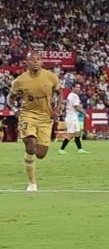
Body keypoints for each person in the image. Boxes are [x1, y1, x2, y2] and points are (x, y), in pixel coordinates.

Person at [10, 52, 61, 191]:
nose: (35, 62)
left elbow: (59, 93)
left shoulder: (51, 77)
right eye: (32, 59)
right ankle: (32, 183)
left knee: (40, 154)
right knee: (31, 145)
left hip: (45, 118)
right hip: (27, 115)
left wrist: (56, 109)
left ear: (42, 62)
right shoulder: (20, 81)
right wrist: (15, 109)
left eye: (38, 59)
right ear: (27, 62)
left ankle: (29, 158)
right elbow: (11, 97)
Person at [57, 86, 90, 155]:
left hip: (72, 116)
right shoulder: (74, 96)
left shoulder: (71, 95)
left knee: (77, 132)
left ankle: (80, 149)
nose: (78, 89)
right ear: (73, 88)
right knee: (71, 134)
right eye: (76, 87)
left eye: (79, 87)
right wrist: (85, 113)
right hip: (72, 117)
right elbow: (76, 107)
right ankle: (61, 149)